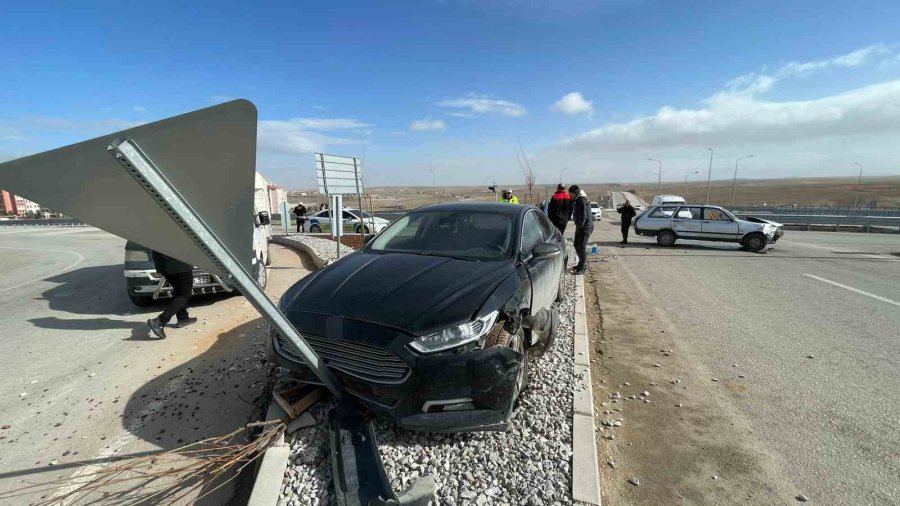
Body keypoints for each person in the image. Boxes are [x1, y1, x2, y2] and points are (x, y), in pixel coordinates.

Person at [147, 251, 197, 339]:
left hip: (163, 264)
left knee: (179, 290)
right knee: (184, 294)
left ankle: (183, 318)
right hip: (178, 264)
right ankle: (160, 321)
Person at [569, 185, 593, 274]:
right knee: (576, 245)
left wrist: (580, 226)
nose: (570, 196)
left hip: (585, 226)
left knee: (582, 247)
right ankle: (580, 264)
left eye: (571, 194)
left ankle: (582, 268)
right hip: (580, 226)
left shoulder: (581, 199)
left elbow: (583, 215)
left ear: (575, 193)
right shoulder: (578, 198)